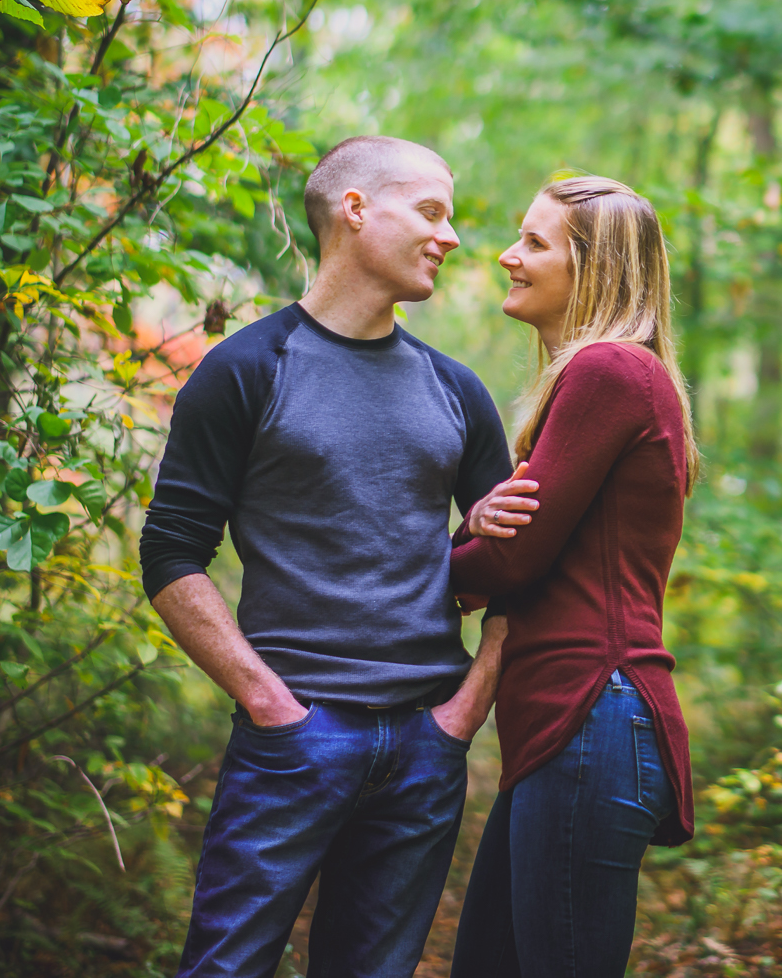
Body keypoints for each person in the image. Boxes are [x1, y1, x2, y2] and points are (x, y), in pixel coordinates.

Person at [140, 136, 518, 978]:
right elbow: (170, 554)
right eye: (430, 211)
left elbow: (520, 564)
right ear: (354, 210)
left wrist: (466, 709)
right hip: (294, 738)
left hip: (426, 743)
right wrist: (268, 702)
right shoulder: (245, 369)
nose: (451, 236)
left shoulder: (455, 390)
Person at [447, 174, 698, 978]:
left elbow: (510, 556)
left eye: (533, 242)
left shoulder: (608, 372)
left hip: (590, 712)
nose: (507, 256)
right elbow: (516, 541)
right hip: (568, 726)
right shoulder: (621, 376)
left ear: (590, 268)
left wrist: (434, 563)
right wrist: (472, 533)